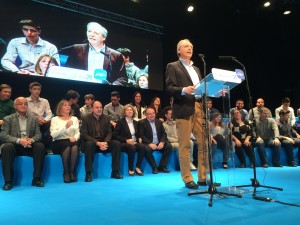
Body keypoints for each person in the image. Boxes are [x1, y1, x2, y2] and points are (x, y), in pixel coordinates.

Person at [165, 39, 209, 189]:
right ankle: (187, 178)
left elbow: (202, 88)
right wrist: (183, 90)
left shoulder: (197, 69)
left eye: (191, 46)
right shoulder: (172, 66)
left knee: (205, 142)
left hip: (198, 107)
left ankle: (203, 177)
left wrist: (215, 91)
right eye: (186, 46)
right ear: (178, 50)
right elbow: (170, 88)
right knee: (185, 145)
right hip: (183, 107)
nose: (189, 48)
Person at [0, 97, 46, 190]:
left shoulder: (33, 119)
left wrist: (31, 140)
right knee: (7, 147)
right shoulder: (8, 119)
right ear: (15, 106)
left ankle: (36, 179)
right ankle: (8, 181)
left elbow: (38, 135)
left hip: (29, 145)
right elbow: (3, 136)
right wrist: (19, 141)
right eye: (20, 104)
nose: (23, 105)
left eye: (25, 103)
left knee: (40, 146)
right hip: (15, 146)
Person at [81, 100, 123, 181]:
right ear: (92, 109)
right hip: (93, 143)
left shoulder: (106, 118)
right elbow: (84, 134)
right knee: (89, 144)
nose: (99, 109)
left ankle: (115, 171)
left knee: (116, 143)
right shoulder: (86, 118)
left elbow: (109, 132)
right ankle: (88, 173)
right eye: (97, 107)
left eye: (101, 107)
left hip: (104, 142)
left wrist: (106, 142)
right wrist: (97, 143)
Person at [50, 100, 80, 183]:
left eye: (69, 105)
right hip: (58, 142)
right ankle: (66, 172)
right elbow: (53, 135)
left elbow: (77, 132)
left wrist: (75, 138)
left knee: (74, 147)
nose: (68, 107)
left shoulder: (74, 118)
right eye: (65, 105)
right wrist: (65, 127)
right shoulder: (54, 119)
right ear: (60, 108)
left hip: (72, 141)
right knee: (67, 146)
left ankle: (72, 172)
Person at [112, 104, 145, 176]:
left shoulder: (136, 122)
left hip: (135, 142)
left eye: (131, 110)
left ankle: (138, 167)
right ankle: (131, 168)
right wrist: (126, 140)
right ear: (124, 112)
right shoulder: (120, 122)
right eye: (128, 110)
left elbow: (139, 133)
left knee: (142, 146)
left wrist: (139, 137)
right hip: (124, 143)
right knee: (132, 147)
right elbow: (114, 135)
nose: (130, 111)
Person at [138, 107, 172, 174]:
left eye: (153, 113)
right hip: (149, 143)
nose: (152, 115)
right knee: (147, 149)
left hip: (158, 143)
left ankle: (162, 166)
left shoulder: (159, 122)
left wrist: (162, 142)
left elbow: (164, 134)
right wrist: (150, 143)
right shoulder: (141, 123)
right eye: (150, 114)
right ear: (146, 115)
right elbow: (141, 135)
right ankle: (154, 167)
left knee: (168, 146)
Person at [26, 82, 53, 148]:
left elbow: (49, 114)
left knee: (53, 123)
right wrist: (36, 119)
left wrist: (44, 120)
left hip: (42, 122)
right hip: (30, 122)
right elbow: (24, 113)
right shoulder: (25, 100)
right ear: (30, 90)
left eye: (38, 89)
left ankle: (46, 145)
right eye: (34, 89)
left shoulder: (45, 101)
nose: (37, 91)